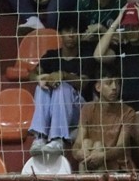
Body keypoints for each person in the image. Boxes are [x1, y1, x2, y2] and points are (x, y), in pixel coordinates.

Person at [94, 3, 139, 168]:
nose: (130, 30)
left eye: (134, 26)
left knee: (136, 124)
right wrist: (117, 21)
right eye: (127, 26)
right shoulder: (121, 48)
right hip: (122, 105)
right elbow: (98, 55)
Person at [28, 13, 93, 157]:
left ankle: (58, 139)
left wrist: (63, 75)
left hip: (78, 112)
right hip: (54, 109)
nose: (71, 35)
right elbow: (32, 73)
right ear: (60, 33)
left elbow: (84, 83)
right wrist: (39, 78)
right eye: (67, 31)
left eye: (75, 31)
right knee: (41, 87)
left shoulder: (86, 56)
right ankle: (40, 137)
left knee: (62, 87)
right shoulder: (51, 55)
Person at [72, 66, 137, 173]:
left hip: (117, 167)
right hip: (90, 159)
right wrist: (78, 153)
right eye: (109, 83)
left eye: (117, 83)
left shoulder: (127, 112)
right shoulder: (87, 109)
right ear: (98, 87)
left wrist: (102, 156)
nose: (114, 87)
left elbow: (121, 147)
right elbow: (78, 143)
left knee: (99, 146)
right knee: (86, 143)